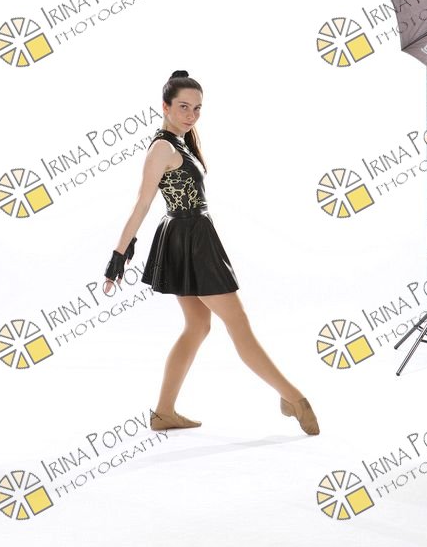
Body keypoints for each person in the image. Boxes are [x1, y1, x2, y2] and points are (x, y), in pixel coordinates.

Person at [103, 70, 319, 437]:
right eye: (183, 107)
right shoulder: (162, 148)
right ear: (165, 107)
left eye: (197, 108)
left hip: (191, 236)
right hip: (191, 239)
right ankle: (294, 398)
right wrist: (117, 257)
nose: (191, 115)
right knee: (238, 324)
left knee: (198, 326)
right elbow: (142, 203)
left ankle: (164, 412)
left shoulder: (182, 141)